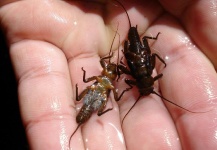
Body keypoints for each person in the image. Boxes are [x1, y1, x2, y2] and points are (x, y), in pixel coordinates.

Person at [1, 0, 217, 149]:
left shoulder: (129, 78)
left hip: (135, 56)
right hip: (135, 54)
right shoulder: (129, 79)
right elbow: (147, 66)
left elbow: (139, 69)